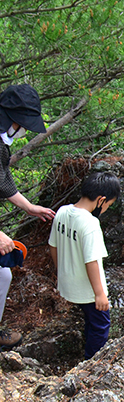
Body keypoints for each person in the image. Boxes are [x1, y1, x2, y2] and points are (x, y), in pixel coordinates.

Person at [0, 84, 56, 350]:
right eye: (23, 124)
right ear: (13, 120)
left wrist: (29, 206)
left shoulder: (1, 141)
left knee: (3, 276)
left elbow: (2, 178)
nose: (23, 130)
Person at [49, 172, 120, 360]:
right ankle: (90, 363)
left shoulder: (62, 212)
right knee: (101, 325)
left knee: (90, 320)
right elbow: (92, 261)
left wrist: (60, 272)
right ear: (101, 200)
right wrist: (99, 293)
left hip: (67, 284)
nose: (105, 210)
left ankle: (87, 354)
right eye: (108, 206)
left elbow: (53, 246)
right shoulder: (90, 224)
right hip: (88, 290)